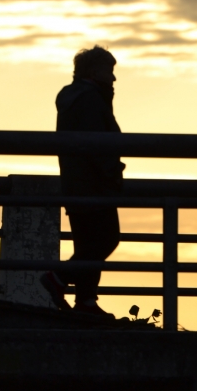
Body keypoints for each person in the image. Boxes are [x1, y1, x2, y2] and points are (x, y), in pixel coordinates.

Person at [40, 45, 124, 319]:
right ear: (93, 71)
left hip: (75, 183)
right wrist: (113, 172)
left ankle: (86, 301)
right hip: (95, 184)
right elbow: (97, 144)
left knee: (88, 244)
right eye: (109, 72)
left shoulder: (72, 97)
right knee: (107, 239)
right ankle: (59, 278)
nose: (113, 79)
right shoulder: (90, 99)